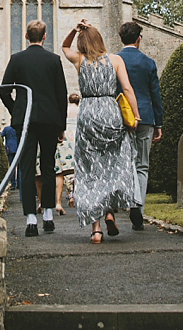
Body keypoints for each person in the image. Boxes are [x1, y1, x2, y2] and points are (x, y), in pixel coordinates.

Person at [62, 18, 139, 244]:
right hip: (110, 112)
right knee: (114, 164)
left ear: (83, 43)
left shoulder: (80, 60)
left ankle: (96, 230)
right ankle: (109, 212)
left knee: (90, 170)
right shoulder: (115, 60)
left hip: (88, 114)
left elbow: (64, 48)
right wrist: (135, 115)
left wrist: (73, 30)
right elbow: (127, 88)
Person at [0, 19, 68, 237]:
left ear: (26, 36)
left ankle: (31, 219)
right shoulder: (54, 60)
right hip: (49, 121)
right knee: (48, 167)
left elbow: (4, 91)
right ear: (45, 36)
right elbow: (61, 96)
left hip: (25, 121)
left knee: (27, 168)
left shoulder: (17, 59)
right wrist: (61, 126)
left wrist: (17, 111)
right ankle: (48, 215)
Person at [118, 20, 164, 230]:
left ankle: (129, 201)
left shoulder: (114, 60)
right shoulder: (148, 62)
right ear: (138, 39)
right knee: (142, 165)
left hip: (121, 117)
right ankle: (139, 206)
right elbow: (155, 94)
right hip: (145, 117)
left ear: (121, 39)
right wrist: (159, 122)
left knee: (124, 164)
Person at [0, 121, 20, 189]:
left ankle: (13, 184)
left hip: (10, 149)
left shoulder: (7, 129)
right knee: (19, 167)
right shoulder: (19, 128)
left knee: (12, 167)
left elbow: (1, 135)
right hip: (18, 149)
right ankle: (19, 184)